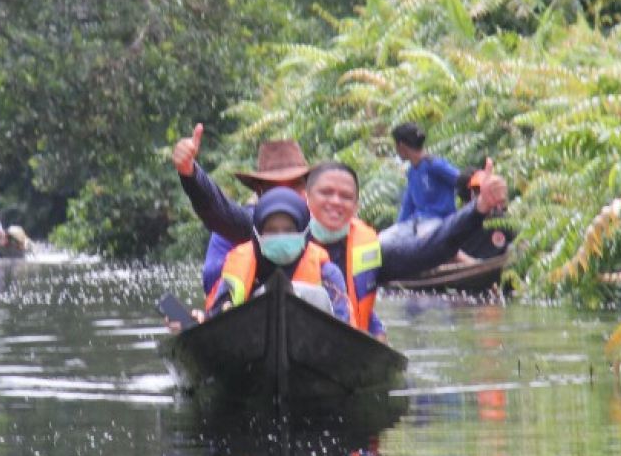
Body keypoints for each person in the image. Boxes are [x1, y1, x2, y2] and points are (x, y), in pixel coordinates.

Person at [174, 123, 508, 340]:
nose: (336, 203)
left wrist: (477, 210)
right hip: (255, 339)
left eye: (346, 196)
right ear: (308, 198)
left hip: (339, 345)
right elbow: (219, 213)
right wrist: (191, 174)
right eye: (326, 194)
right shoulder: (269, 230)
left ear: (355, 204)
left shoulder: (369, 251)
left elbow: (434, 247)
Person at [174, 125, 310, 295]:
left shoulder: (323, 226)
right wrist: (190, 173)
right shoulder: (245, 224)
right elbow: (217, 210)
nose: (283, 196)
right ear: (259, 193)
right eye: (274, 188)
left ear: (307, 191)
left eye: (293, 186)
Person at [205, 188, 350, 323]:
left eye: (289, 230)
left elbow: (343, 328)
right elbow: (216, 318)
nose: (281, 236)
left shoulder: (328, 274)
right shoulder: (238, 268)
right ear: (258, 235)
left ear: (304, 232)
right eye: (271, 230)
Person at [379, 122, 460, 244]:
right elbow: (408, 206)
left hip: (440, 221)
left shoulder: (434, 164)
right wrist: (397, 228)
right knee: (382, 241)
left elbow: (462, 180)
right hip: (417, 222)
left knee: (423, 242)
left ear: (401, 146)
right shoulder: (412, 172)